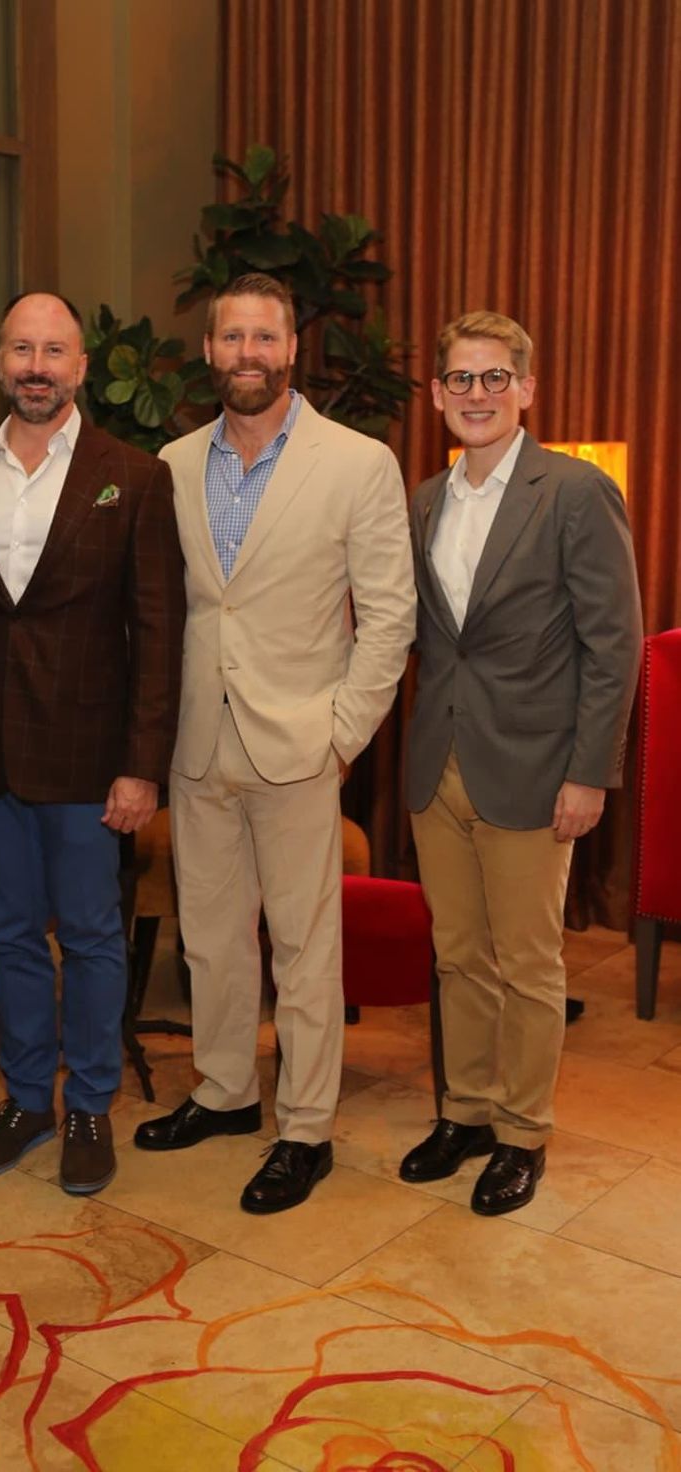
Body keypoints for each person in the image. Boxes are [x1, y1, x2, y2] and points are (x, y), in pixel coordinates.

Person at [134, 272, 416, 1213]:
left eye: (265, 337)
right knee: (210, 939)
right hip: (197, 745)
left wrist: (340, 737)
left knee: (303, 949)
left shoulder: (356, 462)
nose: (247, 353)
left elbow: (388, 620)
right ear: (208, 351)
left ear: (291, 349)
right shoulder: (168, 464)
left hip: (301, 744)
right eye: (230, 338)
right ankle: (223, 1094)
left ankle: (305, 1129)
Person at [0, 292, 184, 1196]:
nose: (36, 367)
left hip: (90, 758)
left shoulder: (135, 476)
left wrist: (141, 764)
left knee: (89, 935)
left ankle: (91, 1108)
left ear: (82, 367)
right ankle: (28, 1100)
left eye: (55, 352)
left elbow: (159, 632)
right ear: (0, 363)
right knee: (5, 935)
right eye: (21, 350)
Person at [399, 310, 642, 1215]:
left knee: (530, 960)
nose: (477, 395)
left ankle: (521, 1132)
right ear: (436, 395)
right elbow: (421, 638)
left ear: (527, 389)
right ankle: (462, 1112)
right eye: (460, 379)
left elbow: (613, 647)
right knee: (458, 954)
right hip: (440, 762)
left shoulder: (574, 492)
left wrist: (591, 773)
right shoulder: (422, 499)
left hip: (538, 767)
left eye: (495, 377)